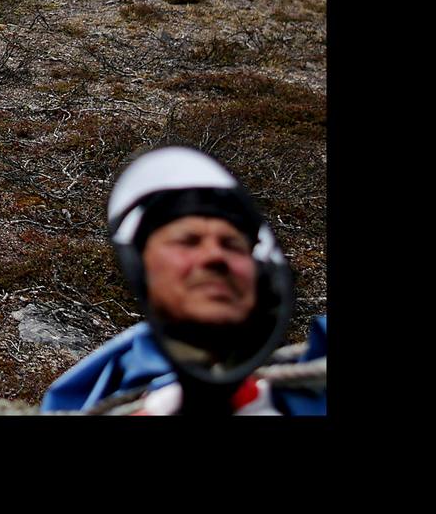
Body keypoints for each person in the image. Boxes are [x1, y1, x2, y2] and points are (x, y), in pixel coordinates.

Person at [40, 146, 327, 416]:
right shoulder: (94, 390)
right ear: (142, 269)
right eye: (188, 241)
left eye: (232, 244)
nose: (215, 256)